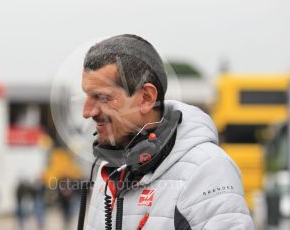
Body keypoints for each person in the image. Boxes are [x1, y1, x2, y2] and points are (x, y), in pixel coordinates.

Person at [79, 34, 254, 229]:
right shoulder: (110, 166)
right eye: (87, 96)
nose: (87, 112)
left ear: (146, 98)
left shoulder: (207, 169)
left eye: (102, 97)